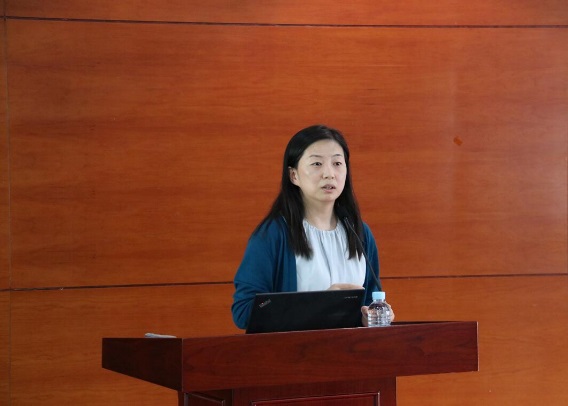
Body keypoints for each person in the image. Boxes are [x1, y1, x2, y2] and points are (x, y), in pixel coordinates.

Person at [231, 124, 393, 329]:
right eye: (317, 163)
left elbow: (370, 303)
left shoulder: (360, 233)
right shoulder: (273, 234)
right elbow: (244, 312)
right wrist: (320, 305)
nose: (329, 173)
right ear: (294, 176)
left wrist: (373, 316)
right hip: (295, 349)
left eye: (337, 163)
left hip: (350, 348)